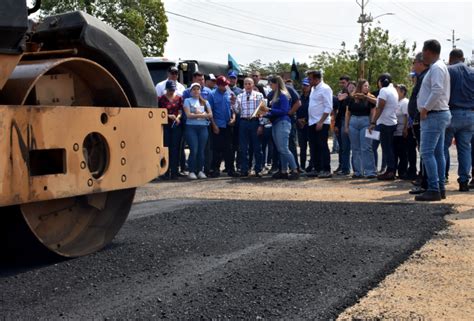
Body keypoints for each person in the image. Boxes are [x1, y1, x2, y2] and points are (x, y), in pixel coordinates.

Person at [415, 39, 452, 201]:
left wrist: (425, 109)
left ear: (428, 51)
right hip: (439, 113)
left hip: (434, 114)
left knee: (427, 152)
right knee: (437, 153)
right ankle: (440, 188)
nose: (422, 54)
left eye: (423, 51)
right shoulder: (439, 67)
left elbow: (436, 90)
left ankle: (434, 188)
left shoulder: (436, 68)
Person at [444, 49, 474, 192]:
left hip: (451, 113)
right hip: (469, 115)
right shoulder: (472, 72)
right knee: (465, 149)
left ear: (451, 58)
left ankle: (441, 178)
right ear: (463, 58)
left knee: (443, 147)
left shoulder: (448, 70)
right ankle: (463, 181)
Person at [262, 76, 299, 180]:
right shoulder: (276, 95)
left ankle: (295, 170)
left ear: (276, 84)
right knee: (280, 149)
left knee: (284, 148)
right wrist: (264, 114)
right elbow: (275, 112)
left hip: (283, 122)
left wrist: (268, 109)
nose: (270, 85)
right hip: (277, 123)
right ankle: (283, 171)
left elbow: (284, 110)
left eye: (271, 83)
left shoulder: (283, 95)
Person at [368, 73, 398, 180]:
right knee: (389, 148)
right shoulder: (393, 90)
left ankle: (390, 171)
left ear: (382, 81)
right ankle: (391, 170)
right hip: (391, 122)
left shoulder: (384, 91)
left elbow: (380, 107)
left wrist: (373, 122)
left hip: (384, 123)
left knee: (386, 148)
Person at [344, 79, 377, 178]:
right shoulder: (352, 98)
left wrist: (372, 123)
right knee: (355, 148)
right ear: (360, 87)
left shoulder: (370, 98)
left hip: (365, 121)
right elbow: (348, 113)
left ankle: (370, 172)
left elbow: (373, 111)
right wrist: (346, 126)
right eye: (365, 86)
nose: (367, 87)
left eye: (368, 86)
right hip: (353, 122)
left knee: (366, 147)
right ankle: (358, 172)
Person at [408, 52, 430, 195]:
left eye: (414, 62)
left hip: (422, 119)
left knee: (425, 152)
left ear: (421, 62)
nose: (413, 65)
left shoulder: (425, 77)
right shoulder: (421, 77)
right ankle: (424, 180)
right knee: (423, 152)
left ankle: (425, 183)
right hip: (418, 118)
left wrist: (419, 114)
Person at [233, 77, 265, 177]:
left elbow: (262, 112)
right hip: (243, 122)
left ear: (253, 85)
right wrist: (233, 103)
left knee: (257, 147)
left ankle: (258, 169)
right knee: (243, 148)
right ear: (243, 85)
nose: (247, 85)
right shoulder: (239, 96)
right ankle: (244, 169)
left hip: (255, 122)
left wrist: (261, 125)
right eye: (246, 84)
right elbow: (237, 111)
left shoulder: (259, 95)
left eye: (249, 84)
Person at [207, 76, 236, 177]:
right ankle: (215, 169)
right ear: (218, 85)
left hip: (228, 125)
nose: (226, 86)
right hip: (218, 125)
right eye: (224, 85)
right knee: (217, 149)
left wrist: (234, 118)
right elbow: (210, 111)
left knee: (229, 148)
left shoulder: (229, 93)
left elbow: (233, 108)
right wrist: (214, 125)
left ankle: (230, 169)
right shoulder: (212, 94)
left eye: (226, 84)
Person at [183, 83, 213, 180]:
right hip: (191, 127)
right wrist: (202, 115)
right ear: (190, 91)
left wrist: (199, 114)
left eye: (198, 89)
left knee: (201, 150)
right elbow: (188, 115)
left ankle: (200, 170)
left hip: (203, 127)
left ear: (200, 91)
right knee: (194, 149)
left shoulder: (205, 102)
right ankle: (191, 170)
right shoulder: (187, 101)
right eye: (194, 89)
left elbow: (210, 115)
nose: (196, 91)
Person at [307, 70, 333, 178]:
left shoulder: (325, 89)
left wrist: (321, 121)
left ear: (317, 79)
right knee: (313, 146)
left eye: (310, 79)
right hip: (312, 121)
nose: (309, 81)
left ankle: (326, 169)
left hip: (321, 122)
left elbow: (328, 106)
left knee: (322, 145)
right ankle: (316, 168)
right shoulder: (313, 89)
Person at [158, 80, 183, 180]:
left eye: (173, 89)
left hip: (175, 125)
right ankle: (166, 171)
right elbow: (158, 112)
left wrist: (178, 117)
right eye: (170, 89)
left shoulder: (179, 98)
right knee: (166, 148)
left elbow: (181, 111)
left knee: (175, 148)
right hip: (166, 125)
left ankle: (174, 171)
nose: (171, 91)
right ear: (166, 89)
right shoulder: (161, 99)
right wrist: (168, 115)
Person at [334, 76, 353, 175]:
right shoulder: (340, 97)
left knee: (353, 148)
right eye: (340, 83)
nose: (342, 85)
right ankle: (343, 167)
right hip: (341, 121)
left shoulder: (352, 97)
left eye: (344, 83)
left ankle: (353, 169)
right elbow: (339, 112)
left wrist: (347, 96)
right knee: (343, 147)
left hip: (351, 122)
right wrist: (336, 125)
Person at [228, 71, 243, 173]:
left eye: (234, 78)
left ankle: (239, 165)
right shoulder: (224, 89)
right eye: (230, 78)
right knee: (229, 146)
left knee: (239, 145)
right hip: (228, 121)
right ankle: (229, 166)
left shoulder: (240, 91)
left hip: (238, 122)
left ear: (236, 79)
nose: (232, 80)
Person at [393, 84, 410, 178]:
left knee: (403, 153)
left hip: (401, 131)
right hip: (395, 131)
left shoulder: (405, 102)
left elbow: (407, 116)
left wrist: (405, 129)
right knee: (395, 152)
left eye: (397, 90)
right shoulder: (396, 102)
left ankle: (402, 172)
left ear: (403, 92)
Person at [296, 77, 312, 172]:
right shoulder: (299, 97)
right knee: (302, 148)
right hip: (300, 126)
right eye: (303, 85)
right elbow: (296, 109)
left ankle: (311, 165)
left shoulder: (313, 97)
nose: (304, 87)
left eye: (307, 85)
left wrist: (305, 120)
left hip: (310, 124)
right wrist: (298, 120)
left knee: (312, 147)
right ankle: (302, 166)